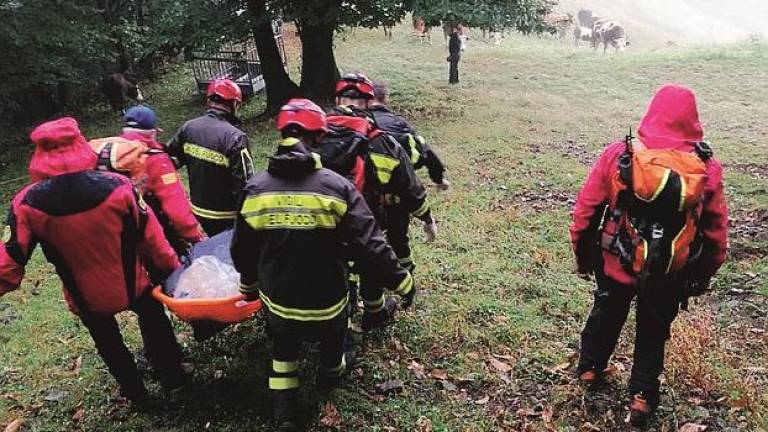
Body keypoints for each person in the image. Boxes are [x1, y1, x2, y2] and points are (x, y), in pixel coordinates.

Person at [231, 99, 415, 431]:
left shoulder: (256, 189)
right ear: (318, 139)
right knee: (334, 345)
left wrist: (248, 285)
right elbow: (371, 245)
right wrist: (402, 281)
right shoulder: (337, 189)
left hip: (279, 303)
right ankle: (330, 373)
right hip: (328, 304)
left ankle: (285, 411)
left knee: (283, 351)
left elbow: (243, 249)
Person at [570, 85, 728, 426]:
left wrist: (583, 256)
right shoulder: (706, 167)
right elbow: (716, 231)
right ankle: (641, 398)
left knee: (607, 312)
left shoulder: (620, 154)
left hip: (615, 263)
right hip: (669, 273)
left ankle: (589, 371)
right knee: (654, 331)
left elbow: (586, 210)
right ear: (694, 120)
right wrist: (701, 274)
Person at [0, 117, 186, 408]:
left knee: (108, 341)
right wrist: (173, 271)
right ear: (80, 145)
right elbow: (153, 239)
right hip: (132, 284)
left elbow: (9, 263)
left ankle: (137, 395)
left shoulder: (25, 203)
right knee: (153, 318)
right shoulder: (120, 187)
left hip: (84, 295)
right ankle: (174, 378)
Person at [90, 106, 205, 255]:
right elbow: (176, 208)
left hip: (112, 232)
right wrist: (195, 237)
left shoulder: (110, 155)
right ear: (153, 132)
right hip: (152, 232)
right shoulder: (157, 160)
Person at [369, 80, 448, 281]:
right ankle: (405, 275)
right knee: (398, 239)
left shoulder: (358, 128)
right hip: (398, 196)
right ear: (385, 98)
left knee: (367, 240)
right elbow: (426, 151)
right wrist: (438, 178)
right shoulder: (400, 124)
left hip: (366, 197)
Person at [167, 79, 254, 236]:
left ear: (208, 101)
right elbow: (245, 184)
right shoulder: (236, 138)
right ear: (235, 104)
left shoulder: (188, 127)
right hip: (227, 217)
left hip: (198, 211)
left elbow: (169, 160)